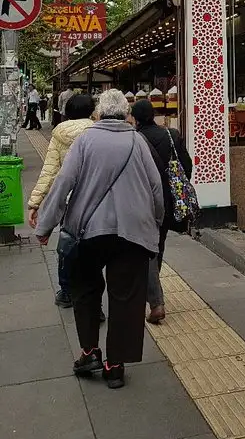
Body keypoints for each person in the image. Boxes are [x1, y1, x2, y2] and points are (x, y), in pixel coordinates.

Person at [35, 89, 164, 390]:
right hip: (132, 233)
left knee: (85, 290)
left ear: (98, 114)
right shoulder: (137, 141)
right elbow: (156, 188)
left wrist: (45, 226)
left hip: (88, 231)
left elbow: (63, 183)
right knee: (126, 297)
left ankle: (89, 352)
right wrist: (154, 222)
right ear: (126, 114)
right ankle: (115, 365)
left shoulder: (85, 141)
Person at [28, 94, 96, 308]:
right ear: (91, 111)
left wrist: (35, 202)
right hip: (95, 199)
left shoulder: (59, 134)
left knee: (67, 243)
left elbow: (49, 172)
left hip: (69, 200)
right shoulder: (98, 132)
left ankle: (66, 291)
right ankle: (93, 303)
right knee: (93, 247)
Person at [131, 98, 192, 325]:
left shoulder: (134, 140)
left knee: (145, 248)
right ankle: (154, 290)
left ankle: (154, 300)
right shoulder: (171, 135)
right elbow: (187, 165)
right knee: (159, 244)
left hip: (141, 201)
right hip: (166, 201)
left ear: (135, 118)